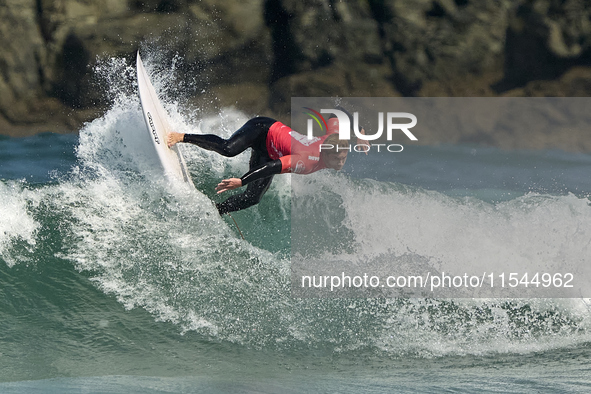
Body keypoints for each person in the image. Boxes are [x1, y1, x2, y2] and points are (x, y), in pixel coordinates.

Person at [167, 115, 368, 215]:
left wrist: (358, 131)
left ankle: (214, 210)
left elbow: (337, 114)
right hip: (262, 129)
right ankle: (181, 137)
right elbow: (274, 167)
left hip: (268, 151)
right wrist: (241, 181)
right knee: (228, 149)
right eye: (339, 159)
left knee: (253, 198)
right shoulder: (307, 161)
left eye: (344, 157)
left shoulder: (334, 139)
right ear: (327, 154)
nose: (342, 162)